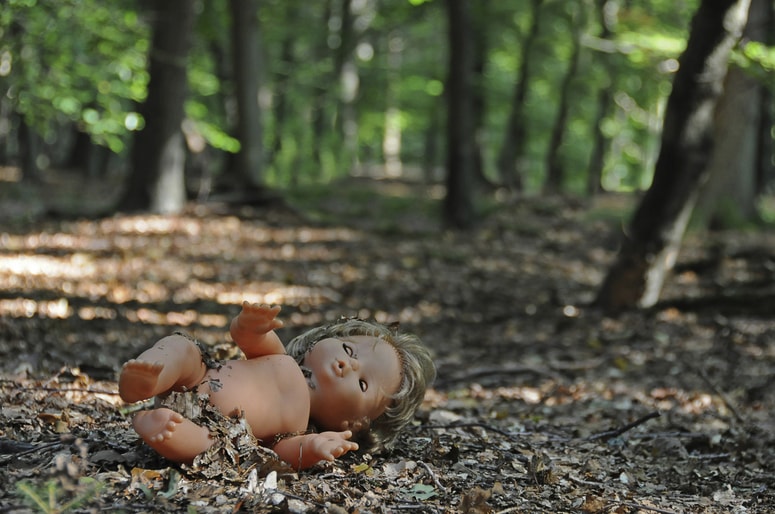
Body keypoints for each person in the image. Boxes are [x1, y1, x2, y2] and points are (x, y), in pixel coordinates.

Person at [118, 302, 435, 471]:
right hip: (196, 376)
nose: (348, 364)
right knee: (183, 347)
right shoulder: (280, 357)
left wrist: (315, 448)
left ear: (352, 424)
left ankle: (160, 428)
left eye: (363, 383)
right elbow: (248, 340)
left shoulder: (296, 427)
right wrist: (250, 326)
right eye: (348, 349)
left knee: (209, 447)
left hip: (217, 430)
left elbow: (282, 454)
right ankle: (149, 378)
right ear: (324, 340)